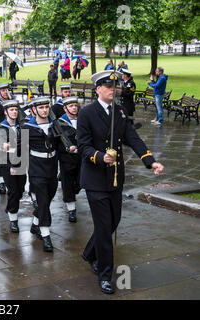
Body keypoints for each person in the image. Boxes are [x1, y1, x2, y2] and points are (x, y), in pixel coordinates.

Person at [77, 70, 164, 294]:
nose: (113, 90)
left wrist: (150, 161)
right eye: (108, 87)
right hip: (95, 179)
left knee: (113, 222)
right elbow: (83, 145)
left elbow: (132, 138)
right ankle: (105, 274)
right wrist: (98, 156)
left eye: (115, 87)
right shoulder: (86, 113)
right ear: (98, 89)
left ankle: (89, 253)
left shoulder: (120, 112)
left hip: (115, 177)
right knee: (105, 229)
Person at [21, 97, 58, 252]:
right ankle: (45, 234)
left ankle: (35, 224)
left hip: (52, 168)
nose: (44, 110)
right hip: (36, 169)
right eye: (41, 107)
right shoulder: (27, 127)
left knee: (48, 198)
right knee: (42, 201)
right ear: (34, 110)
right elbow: (20, 148)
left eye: (46, 107)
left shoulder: (55, 125)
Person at [0, 100, 27, 233]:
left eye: (16, 109)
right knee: (13, 190)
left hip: (21, 161)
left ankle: (10, 207)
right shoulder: (0, 128)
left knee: (20, 190)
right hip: (7, 164)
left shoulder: (21, 126)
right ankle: (13, 220)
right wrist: (10, 166)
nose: (14, 112)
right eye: (11, 110)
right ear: (5, 112)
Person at [56, 96, 81, 223]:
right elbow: (57, 142)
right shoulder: (60, 123)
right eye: (71, 106)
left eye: (75, 105)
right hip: (67, 159)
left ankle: (75, 190)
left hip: (82, 157)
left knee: (80, 182)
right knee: (68, 185)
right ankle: (71, 210)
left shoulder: (82, 119)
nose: (74, 108)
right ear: (65, 109)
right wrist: (66, 149)